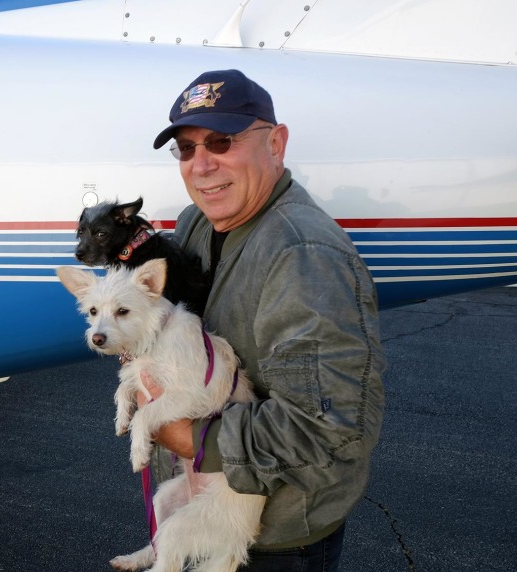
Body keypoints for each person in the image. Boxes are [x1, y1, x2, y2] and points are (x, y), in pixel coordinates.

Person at [141, 69, 387, 571]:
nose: (202, 165)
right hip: (202, 510)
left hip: (269, 542)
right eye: (186, 149)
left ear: (276, 143)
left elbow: (333, 427)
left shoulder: (302, 253)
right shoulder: (197, 223)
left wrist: (193, 439)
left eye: (222, 141)